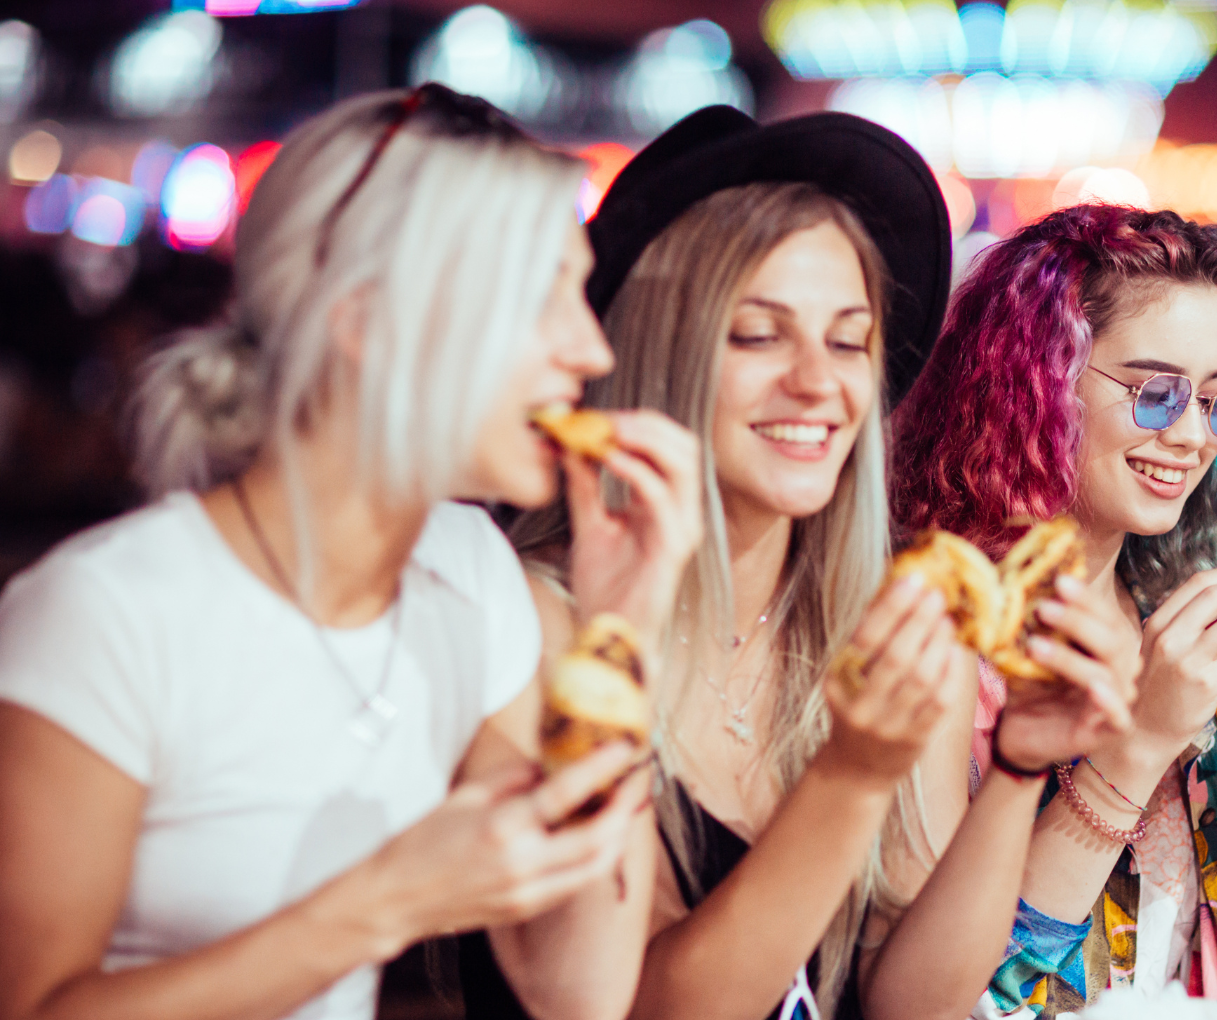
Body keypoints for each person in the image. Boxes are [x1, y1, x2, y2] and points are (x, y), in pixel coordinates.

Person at [0, 84, 703, 1020]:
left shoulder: (469, 572)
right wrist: (385, 903)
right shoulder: (106, 610)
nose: (589, 351)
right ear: (365, 317)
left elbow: (575, 987)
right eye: (541, 299)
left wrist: (625, 631)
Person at [488, 106, 1131, 1020]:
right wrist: (851, 775)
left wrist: (1022, 771)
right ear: (657, 353)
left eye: (845, 340)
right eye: (757, 335)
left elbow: (914, 1003)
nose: (816, 383)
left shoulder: (884, 617)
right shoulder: (540, 623)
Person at [890, 203, 1217, 1015]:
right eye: (1153, 393)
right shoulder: (937, 628)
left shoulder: (1180, 613)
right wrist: (1135, 746)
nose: (1191, 437)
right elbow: (946, 1001)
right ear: (1030, 382)